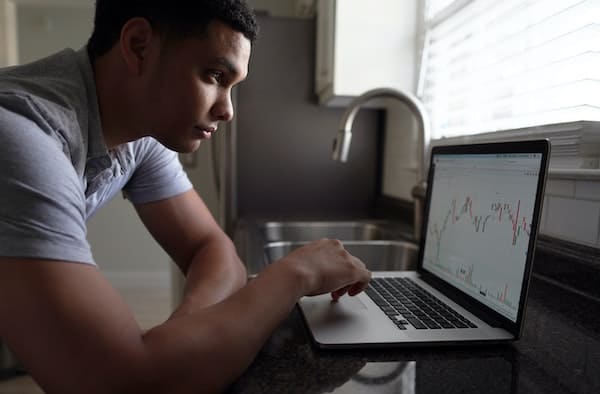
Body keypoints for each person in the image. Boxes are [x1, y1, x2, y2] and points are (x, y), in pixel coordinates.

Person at [0, 1, 371, 393]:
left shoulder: (140, 136)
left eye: (233, 85)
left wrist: (182, 337)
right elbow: (121, 385)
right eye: (214, 75)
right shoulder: (21, 136)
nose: (227, 111)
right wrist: (295, 274)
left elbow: (213, 249)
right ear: (139, 46)